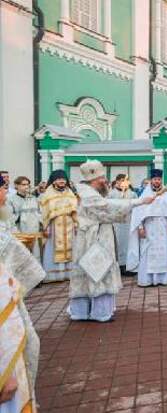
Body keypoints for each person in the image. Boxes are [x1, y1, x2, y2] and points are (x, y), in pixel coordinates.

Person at [69, 161, 155, 322]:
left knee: (91, 272)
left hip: (96, 235)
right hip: (93, 238)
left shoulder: (90, 192)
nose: (105, 180)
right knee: (98, 271)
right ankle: (99, 313)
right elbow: (108, 207)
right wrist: (139, 202)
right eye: (102, 177)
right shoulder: (87, 194)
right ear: (94, 179)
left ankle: (83, 311)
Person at [0, 174, 45, 412]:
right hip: (4, 315)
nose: (5, 193)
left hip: (10, 302)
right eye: (3, 188)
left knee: (28, 344)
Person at [127, 169, 167, 287]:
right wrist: (140, 228)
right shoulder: (145, 194)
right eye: (155, 179)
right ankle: (147, 279)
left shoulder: (166, 194)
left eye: (159, 179)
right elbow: (138, 213)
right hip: (149, 228)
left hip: (163, 228)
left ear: (161, 180)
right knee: (147, 253)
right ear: (151, 180)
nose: (157, 181)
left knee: (163, 253)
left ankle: (162, 279)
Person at [39, 170, 78, 282]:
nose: (61, 181)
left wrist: (76, 223)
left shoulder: (70, 192)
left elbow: (75, 210)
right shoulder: (48, 194)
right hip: (54, 226)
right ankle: (54, 275)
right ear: (54, 181)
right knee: (53, 248)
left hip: (69, 224)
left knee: (71, 248)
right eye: (58, 179)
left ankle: (69, 273)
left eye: (63, 179)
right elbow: (44, 212)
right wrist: (46, 227)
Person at [108, 174, 138, 273]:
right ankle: (117, 266)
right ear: (116, 182)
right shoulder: (111, 194)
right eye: (121, 180)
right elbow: (107, 208)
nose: (123, 182)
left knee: (129, 244)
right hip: (116, 223)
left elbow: (137, 208)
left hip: (129, 222)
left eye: (125, 180)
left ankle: (128, 265)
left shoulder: (132, 194)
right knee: (117, 244)